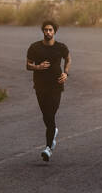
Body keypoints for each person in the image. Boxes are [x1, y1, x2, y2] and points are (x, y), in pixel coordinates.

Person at [26, 20, 71, 162]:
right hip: (40, 86)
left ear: (55, 31)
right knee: (46, 115)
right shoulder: (34, 47)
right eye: (46, 30)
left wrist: (66, 73)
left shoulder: (61, 47)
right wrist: (38, 67)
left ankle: (48, 148)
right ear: (42, 31)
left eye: (50, 30)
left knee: (51, 114)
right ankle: (53, 132)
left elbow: (68, 59)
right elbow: (28, 65)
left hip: (56, 86)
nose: (48, 32)